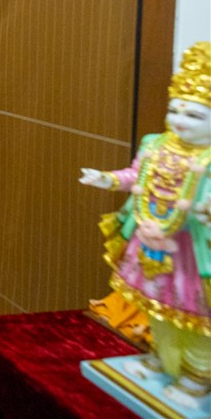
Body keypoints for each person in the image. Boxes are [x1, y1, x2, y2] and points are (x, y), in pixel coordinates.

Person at [79, 42, 211, 408]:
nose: (180, 120)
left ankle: (197, 377)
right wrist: (106, 179)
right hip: (150, 240)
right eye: (175, 110)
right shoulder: (156, 145)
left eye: (194, 115)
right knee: (155, 304)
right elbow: (135, 176)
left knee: (197, 316)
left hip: (195, 253)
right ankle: (160, 360)